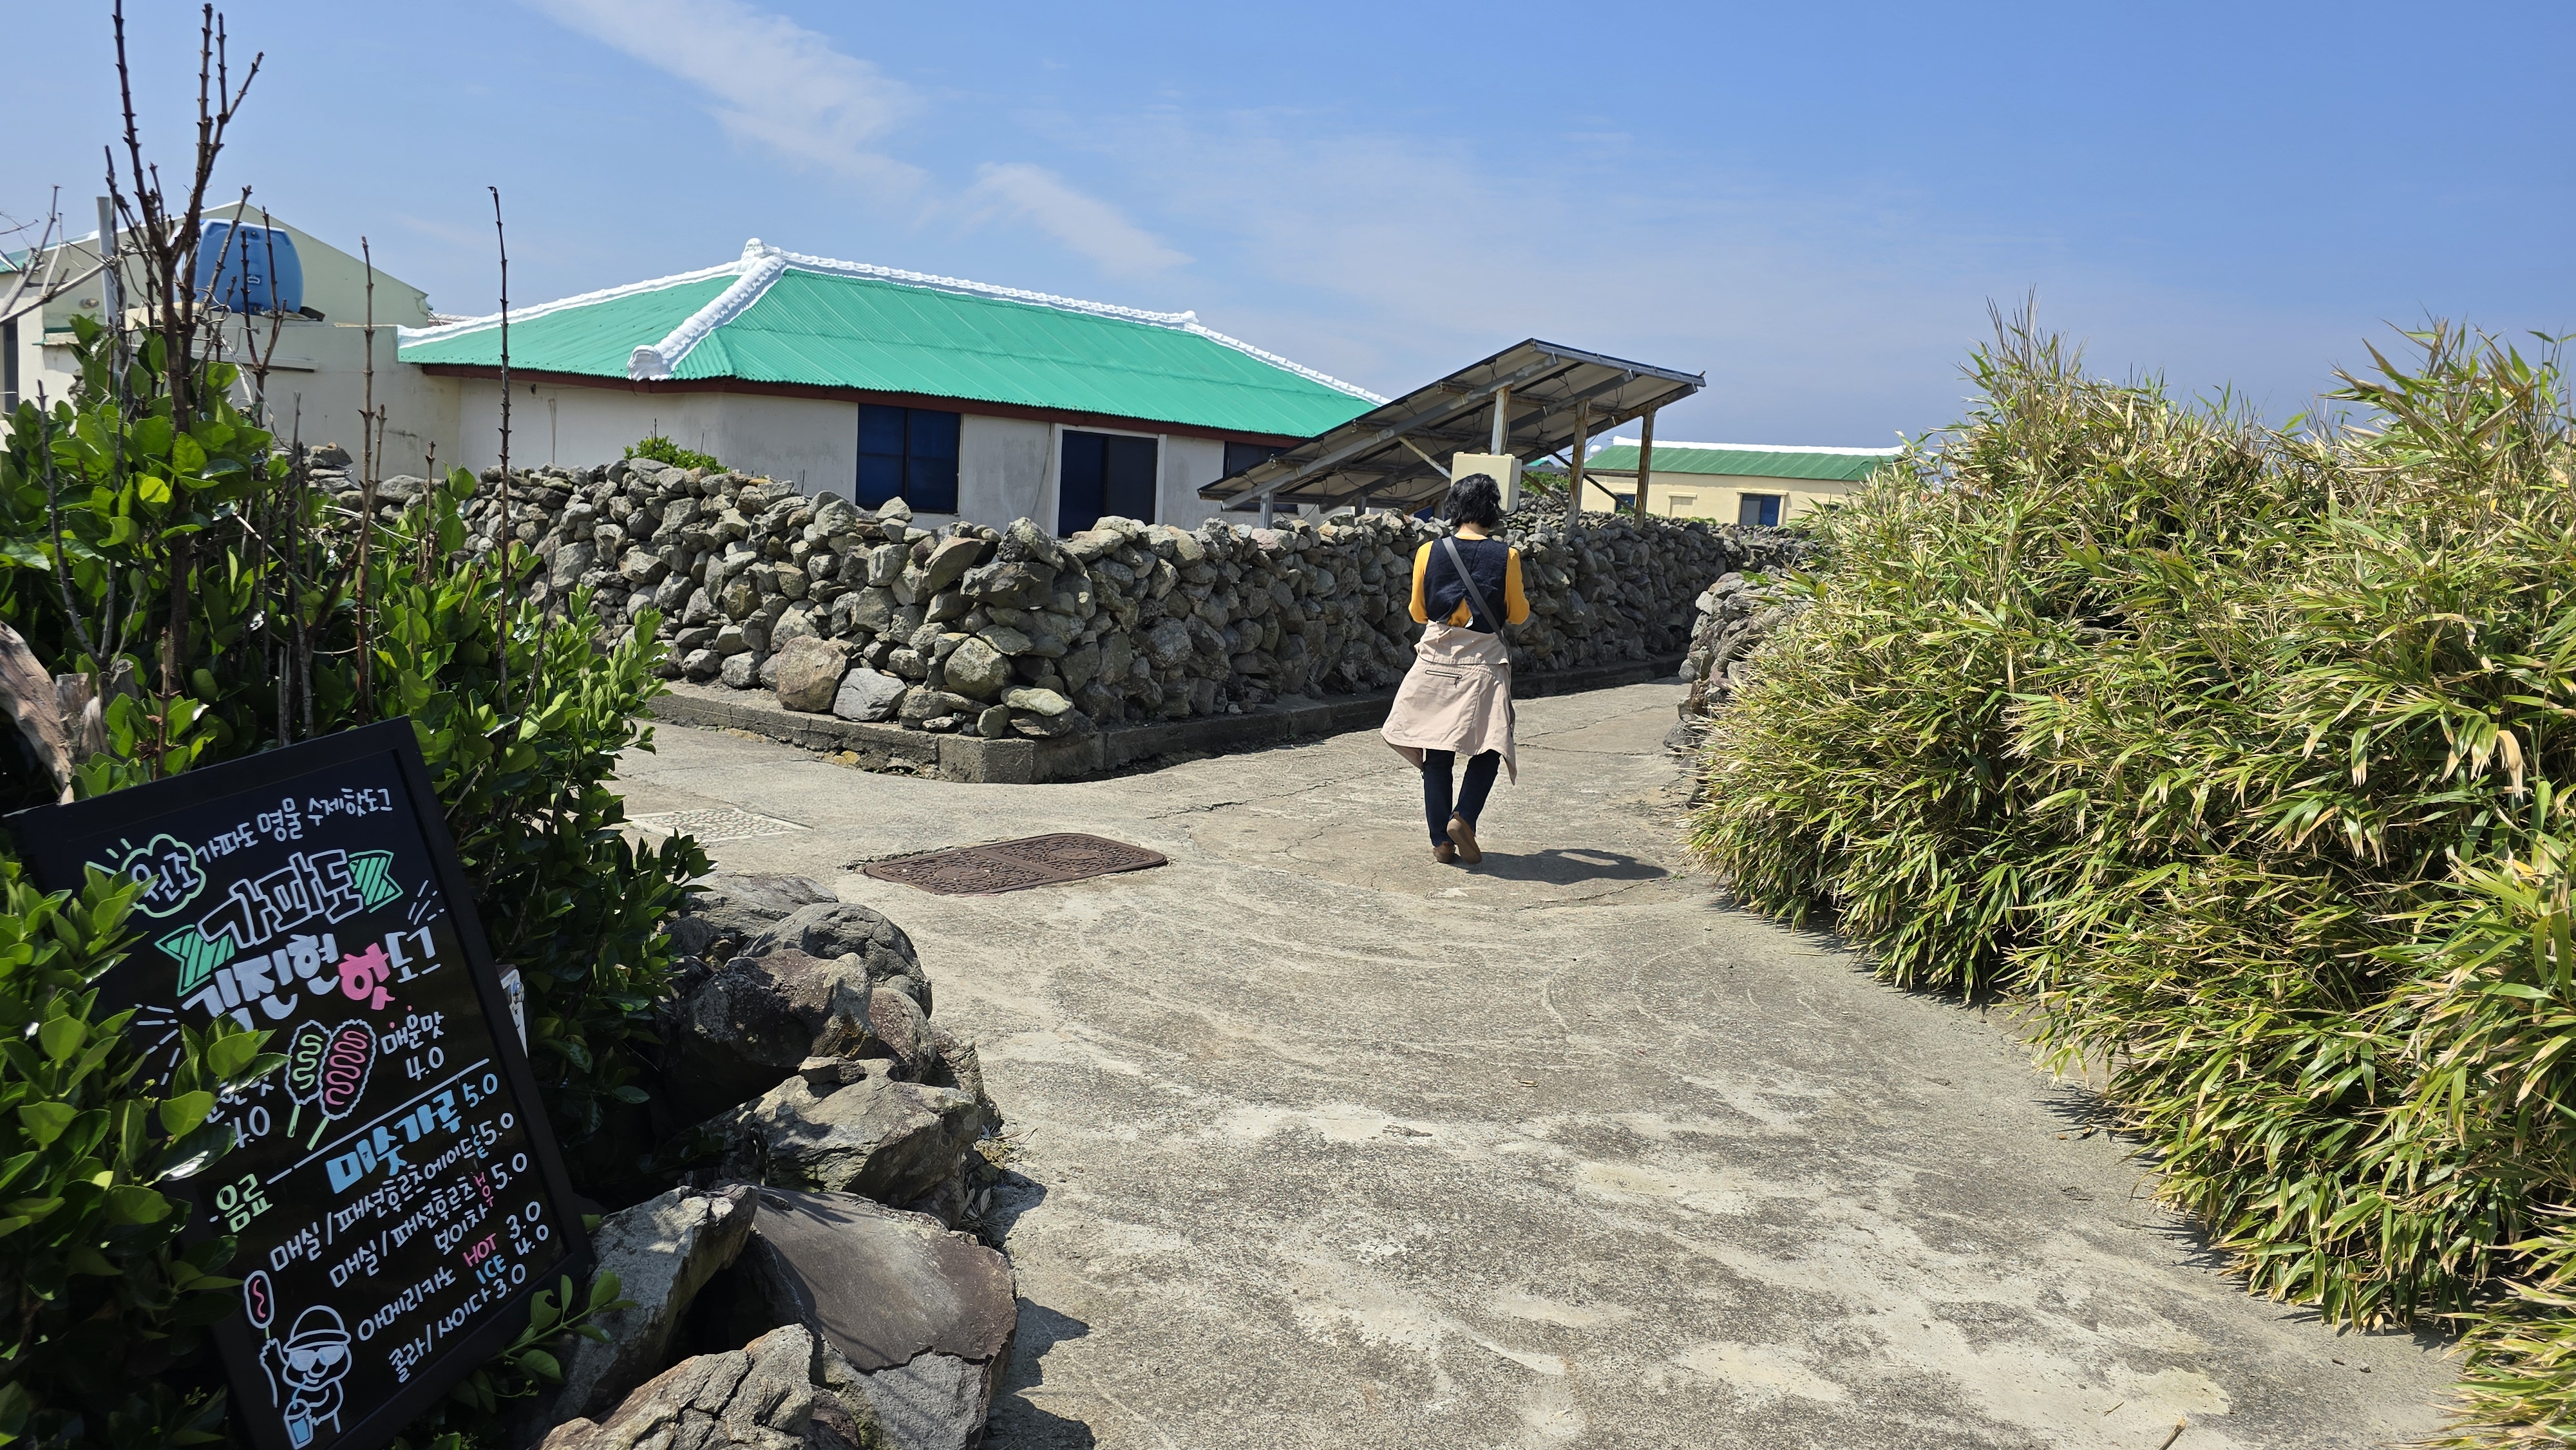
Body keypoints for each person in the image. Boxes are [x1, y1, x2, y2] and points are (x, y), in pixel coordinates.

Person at [1381, 473, 1530, 863]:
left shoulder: (1428, 552)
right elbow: (1517, 615)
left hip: (1437, 659)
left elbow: (1418, 612)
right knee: (1490, 746)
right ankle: (1463, 818)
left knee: (1437, 751)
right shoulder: (1508, 557)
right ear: (1492, 511)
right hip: (1484, 661)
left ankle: (1441, 842)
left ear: (1455, 508)